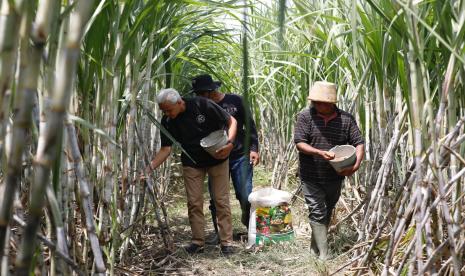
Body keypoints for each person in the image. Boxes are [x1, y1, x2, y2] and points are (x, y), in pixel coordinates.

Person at [145, 88, 238, 255]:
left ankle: (227, 242)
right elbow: (166, 149)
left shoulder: (202, 104)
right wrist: (149, 168)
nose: (167, 114)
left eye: (169, 109)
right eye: (163, 111)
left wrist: (230, 144)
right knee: (194, 202)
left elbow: (232, 121)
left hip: (218, 157)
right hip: (192, 162)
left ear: (180, 102)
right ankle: (197, 242)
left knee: (221, 200)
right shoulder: (168, 121)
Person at [293, 81, 364, 260]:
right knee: (317, 211)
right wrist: (318, 152)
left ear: (332, 103)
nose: (317, 105)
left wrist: (355, 165)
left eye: (321, 102)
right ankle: (324, 256)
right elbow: (300, 143)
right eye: (315, 102)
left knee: (327, 210)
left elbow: (359, 142)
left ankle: (314, 249)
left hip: (335, 175)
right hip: (311, 174)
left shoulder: (346, 119)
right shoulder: (305, 116)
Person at [191, 74, 259, 243]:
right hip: (216, 158)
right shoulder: (202, 106)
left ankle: (249, 226)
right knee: (216, 198)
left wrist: (254, 148)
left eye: (201, 93)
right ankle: (220, 233)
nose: (198, 97)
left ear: (211, 90)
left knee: (245, 194)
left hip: (239, 155)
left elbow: (250, 124)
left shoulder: (235, 101)